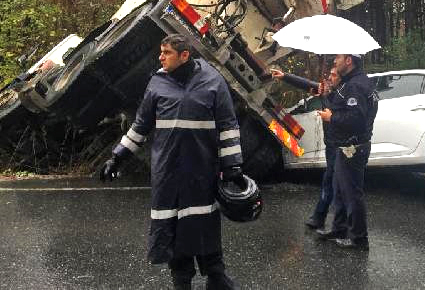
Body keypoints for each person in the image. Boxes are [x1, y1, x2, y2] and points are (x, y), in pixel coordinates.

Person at [99, 34, 243, 290]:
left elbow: (227, 125)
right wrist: (117, 156)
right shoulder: (157, 82)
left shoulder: (212, 81)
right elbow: (141, 126)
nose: (160, 57)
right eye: (161, 52)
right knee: (173, 227)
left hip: (202, 171)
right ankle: (181, 281)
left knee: (204, 224)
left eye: (166, 52)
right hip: (168, 173)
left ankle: (216, 276)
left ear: (184, 55)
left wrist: (232, 165)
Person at [315, 54, 378, 251]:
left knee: (352, 194)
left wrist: (330, 118)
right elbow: (344, 106)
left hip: (353, 148)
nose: (335, 61)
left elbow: (355, 119)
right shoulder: (352, 83)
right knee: (341, 190)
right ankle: (340, 228)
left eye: (338, 58)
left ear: (349, 61)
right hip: (346, 147)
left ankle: (359, 238)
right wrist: (328, 95)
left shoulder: (355, 86)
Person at [270, 67, 341, 229]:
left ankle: (327, 220)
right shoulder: (327, 90)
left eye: (333, 75)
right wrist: (285, 76)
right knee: (331, 181)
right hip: (331, 144)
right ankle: (323, 219)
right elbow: (307, 84)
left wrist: (332, 117)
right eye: (329, 74)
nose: (329, 78)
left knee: (333, 182)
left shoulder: (344, 93)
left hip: (341, 145)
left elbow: (351, 117)